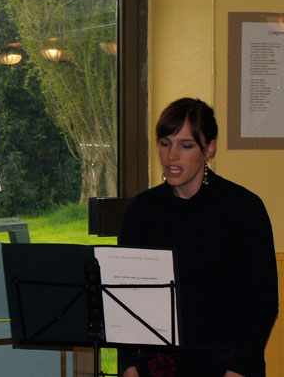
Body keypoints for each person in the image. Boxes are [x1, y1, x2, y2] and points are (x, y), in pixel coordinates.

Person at [119, 98, 278, 377]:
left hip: (230, 364)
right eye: (165, 143)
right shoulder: (142, 210)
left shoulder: (244, 208)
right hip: (161, 364)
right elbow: (125, 296)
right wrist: (128, 365)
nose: (172, 156)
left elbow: (264, 302)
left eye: (186, 146)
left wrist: (238, 369)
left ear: (209, 148)